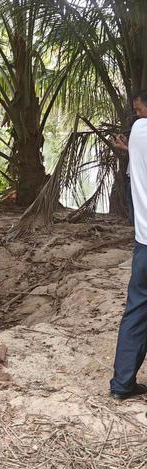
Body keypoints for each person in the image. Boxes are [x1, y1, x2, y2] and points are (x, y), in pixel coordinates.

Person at [110, 91, 147, 400]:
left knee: (136, 310)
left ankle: (122, 385)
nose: (136, 115)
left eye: (138, 109)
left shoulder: (138, 133)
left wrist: (127, 150)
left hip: (144, 242)